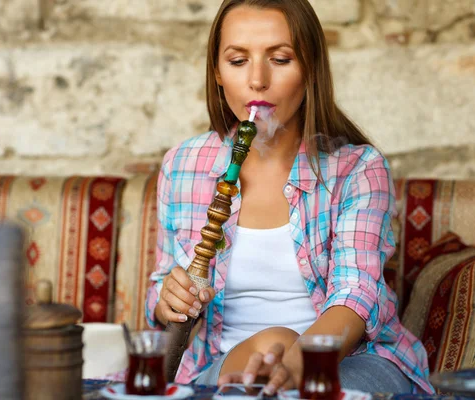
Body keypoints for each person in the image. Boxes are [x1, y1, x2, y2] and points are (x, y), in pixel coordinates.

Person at [145, 0, 434, 395]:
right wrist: (168, 300)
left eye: (280, 59)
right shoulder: (184, 164)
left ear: (310, 68)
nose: (258, 80)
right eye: (237, 61)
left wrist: (293, 363)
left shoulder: (357, 169)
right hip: (223, 364)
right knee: (262, 355)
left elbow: (354, 297)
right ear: (216, 71)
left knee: (284, 358)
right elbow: (163, 284)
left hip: (346, 363)